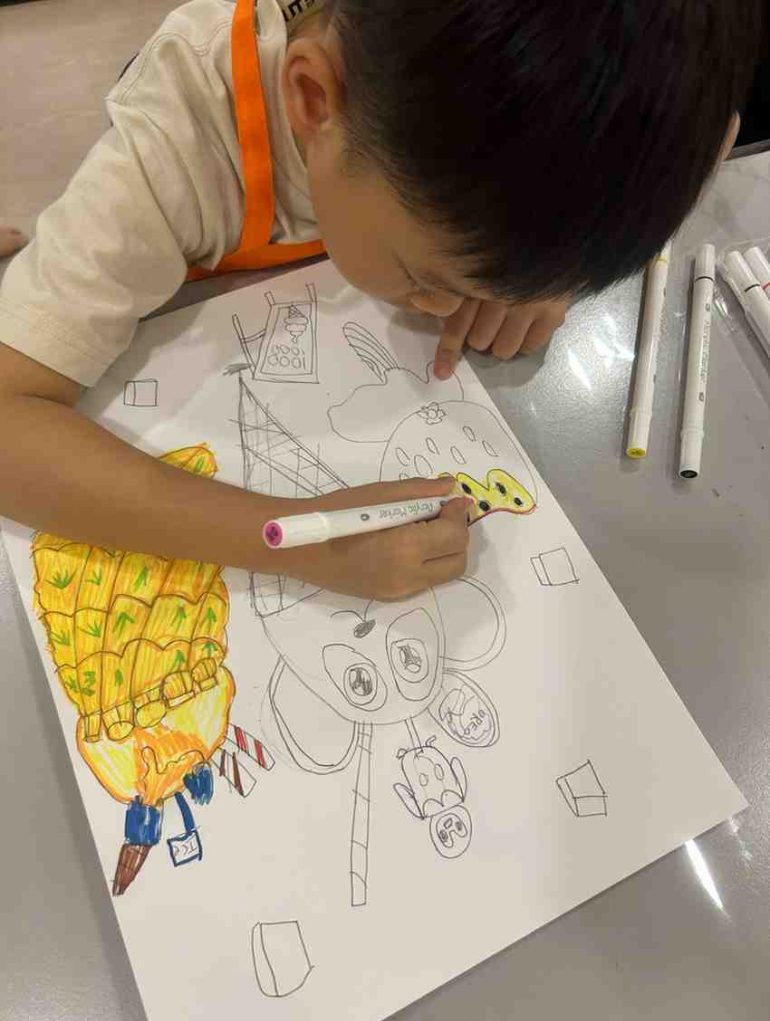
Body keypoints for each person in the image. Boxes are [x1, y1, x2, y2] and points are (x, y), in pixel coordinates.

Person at [0, 0, 760, 600]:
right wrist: (300, 543)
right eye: (428, 280)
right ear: (312, 100)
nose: (443, 311)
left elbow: (719, 133)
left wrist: (543, 277)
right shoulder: (178, 138)